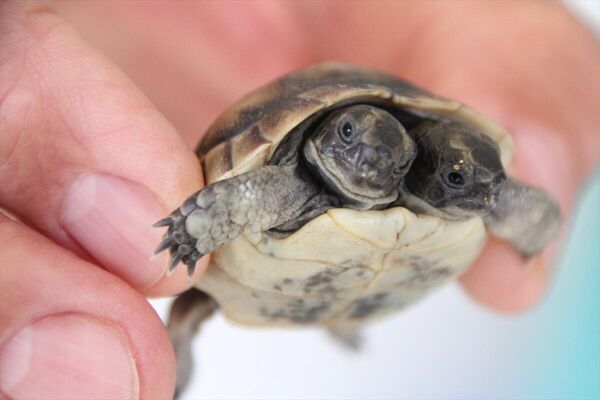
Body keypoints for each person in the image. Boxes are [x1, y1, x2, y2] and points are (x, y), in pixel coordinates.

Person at [0, 1, 597, 398]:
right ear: (319, 133)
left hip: (384, 295)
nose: (363, 156)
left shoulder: (444, 164)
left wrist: (528, 216)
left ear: (408, 160)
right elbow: (242, 199)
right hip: (289, 246)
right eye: (345, 135)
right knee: (189, 304)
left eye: (387, 157)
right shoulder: (284, 183)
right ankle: (177, 359)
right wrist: (192, 229)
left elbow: (500, 190)